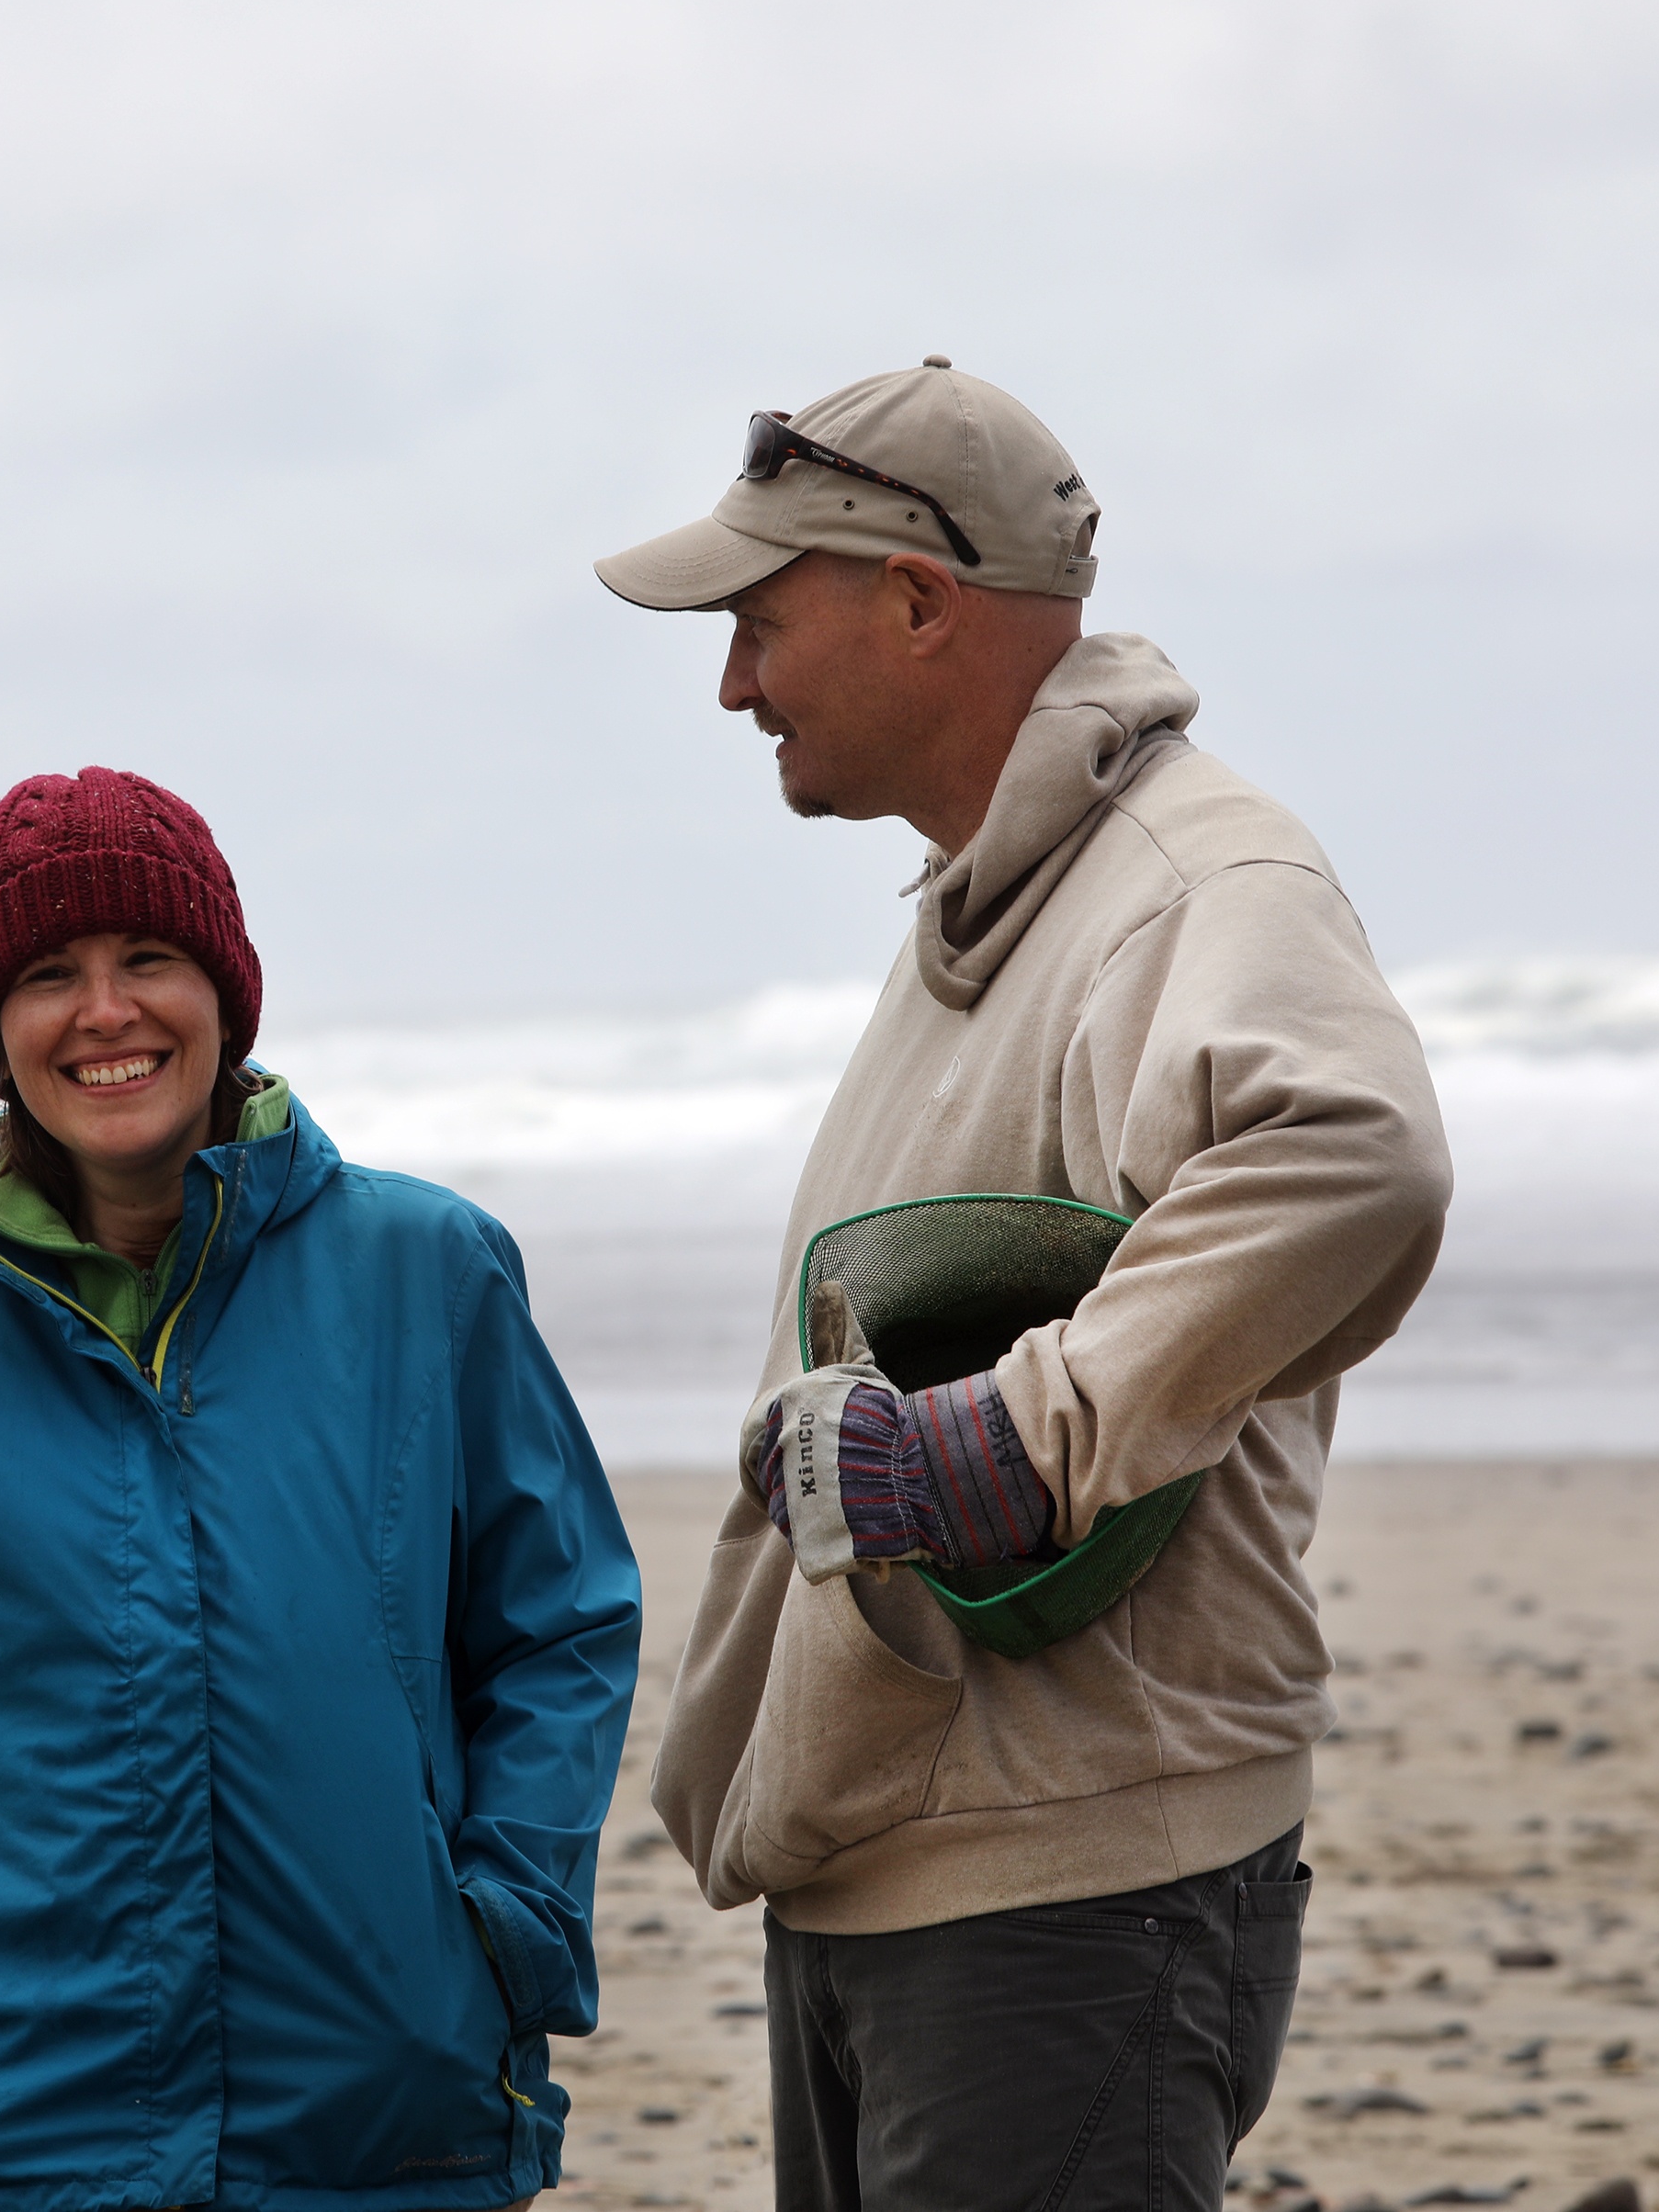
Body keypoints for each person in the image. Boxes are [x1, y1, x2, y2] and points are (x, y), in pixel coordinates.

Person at [597, 362, 1453, 2207]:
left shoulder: (1191, 883)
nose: (733, 683)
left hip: (1068, 1894)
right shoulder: (993, 899)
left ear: (917, 599)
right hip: (908, 1857)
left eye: (759, 620)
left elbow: (1354, 1156)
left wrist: (1015, 1442)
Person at [0, 767, 642, 2211]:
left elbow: (563, 1626)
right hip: (9, 2132)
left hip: (380, 2125)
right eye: (50, 972)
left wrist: (497, 1920)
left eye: (150, 960)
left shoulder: (427, 1270)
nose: (106, 1011)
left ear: (225, 995)